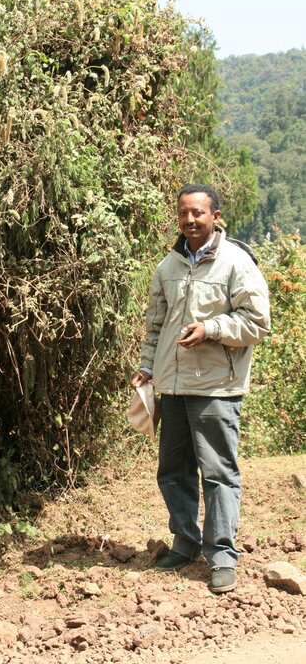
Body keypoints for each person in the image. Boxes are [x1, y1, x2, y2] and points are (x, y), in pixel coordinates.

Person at [130, 184, 270, 593]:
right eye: (183, 213)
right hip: (172, 387)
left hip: (216, 387)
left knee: (218, 474)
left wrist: (211, 329)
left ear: (215, 216)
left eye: (198, 213)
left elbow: (257, 323)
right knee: (173, 472)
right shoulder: (167, 266)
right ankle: (185, 543)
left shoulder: (236, 263)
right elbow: (155, 326)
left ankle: (222, 556)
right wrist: (146, 367)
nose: (190, 220)